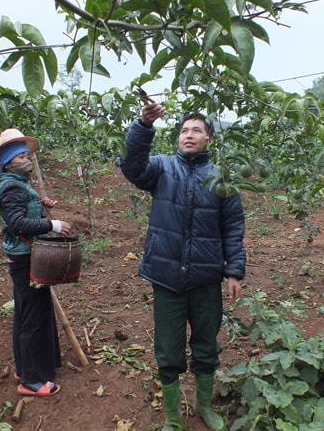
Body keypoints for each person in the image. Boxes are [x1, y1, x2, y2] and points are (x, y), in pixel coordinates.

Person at [119, 104, 246, 431]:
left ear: (210, 139)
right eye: (184, 130)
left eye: (197, 130)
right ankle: (174, 418)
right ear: (178, 138)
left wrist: (234, 270)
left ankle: (204, 405)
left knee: (206, 343)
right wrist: (143, 127)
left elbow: (232, 225)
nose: (189, 135)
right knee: (168, 347)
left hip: (205, 276)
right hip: (166, 276)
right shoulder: (161, 168)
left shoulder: (221, 177)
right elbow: (132, 166)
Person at [0, 128, 72, 398]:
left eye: (27, 154)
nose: (28, 159)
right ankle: (32, 381)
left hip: (25, 258)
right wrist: (53, 224)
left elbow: (23, 210)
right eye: (22, 156)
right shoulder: (12, 187)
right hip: (26, 261)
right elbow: (16, 223)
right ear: (9, 162)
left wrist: (41, 204)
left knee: (27, 313)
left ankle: (25, 368)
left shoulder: (19, 185)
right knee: (33, 318)